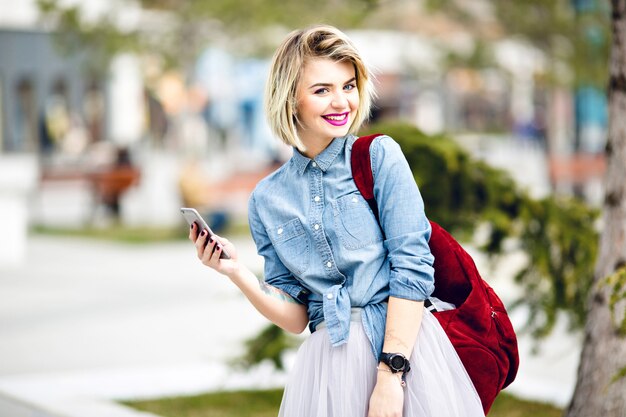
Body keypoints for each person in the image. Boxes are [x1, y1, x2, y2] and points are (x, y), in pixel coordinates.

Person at [189, 25, 484, 417]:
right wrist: (237, 272)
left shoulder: (379, 157)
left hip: (403, 358)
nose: (341, 102)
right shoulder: (267, 199)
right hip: (327, 370)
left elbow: (412, 268)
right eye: (322, 90)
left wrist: (390, 378)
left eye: (348, 85)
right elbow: (296, 315)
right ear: (290, 98)